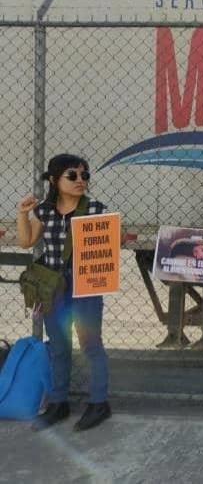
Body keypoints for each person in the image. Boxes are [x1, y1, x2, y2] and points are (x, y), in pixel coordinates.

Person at [16, 154, 111, 432]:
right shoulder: (44, 211)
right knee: (58, 345)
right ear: (54, 180)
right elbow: (26, 241)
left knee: (91, 345)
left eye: (85, 175)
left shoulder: (95, 209)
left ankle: (99, 403)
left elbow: (110, 245)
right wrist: (23, 214)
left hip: (86, 285)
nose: (80, 180)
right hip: (53, 286)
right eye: (73, 176)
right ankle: (58, 403)